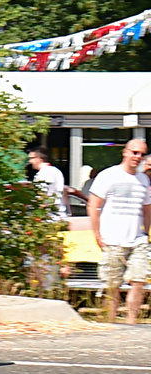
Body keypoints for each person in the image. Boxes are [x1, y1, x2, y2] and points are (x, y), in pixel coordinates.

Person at [86, 139, 151, 324]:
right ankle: (111, 323)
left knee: (138, 280)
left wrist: (146, 233)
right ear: (125, 152)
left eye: (141, 154)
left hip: (137, 240)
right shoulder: (109, 175)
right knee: (112, 285)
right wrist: (97, 235)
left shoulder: (143, 179)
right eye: (134, 152)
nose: (137, 157)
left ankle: (131, 322)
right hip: (113, 238)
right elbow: (93, 206)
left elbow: (146, 208)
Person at [28, 148, 71, 221]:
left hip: (49, 216)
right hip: (57, 214)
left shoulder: (44, 173)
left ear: (39, 159)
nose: (29, 161)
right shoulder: (55, 170)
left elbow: (42, 195)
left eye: (31, 158)